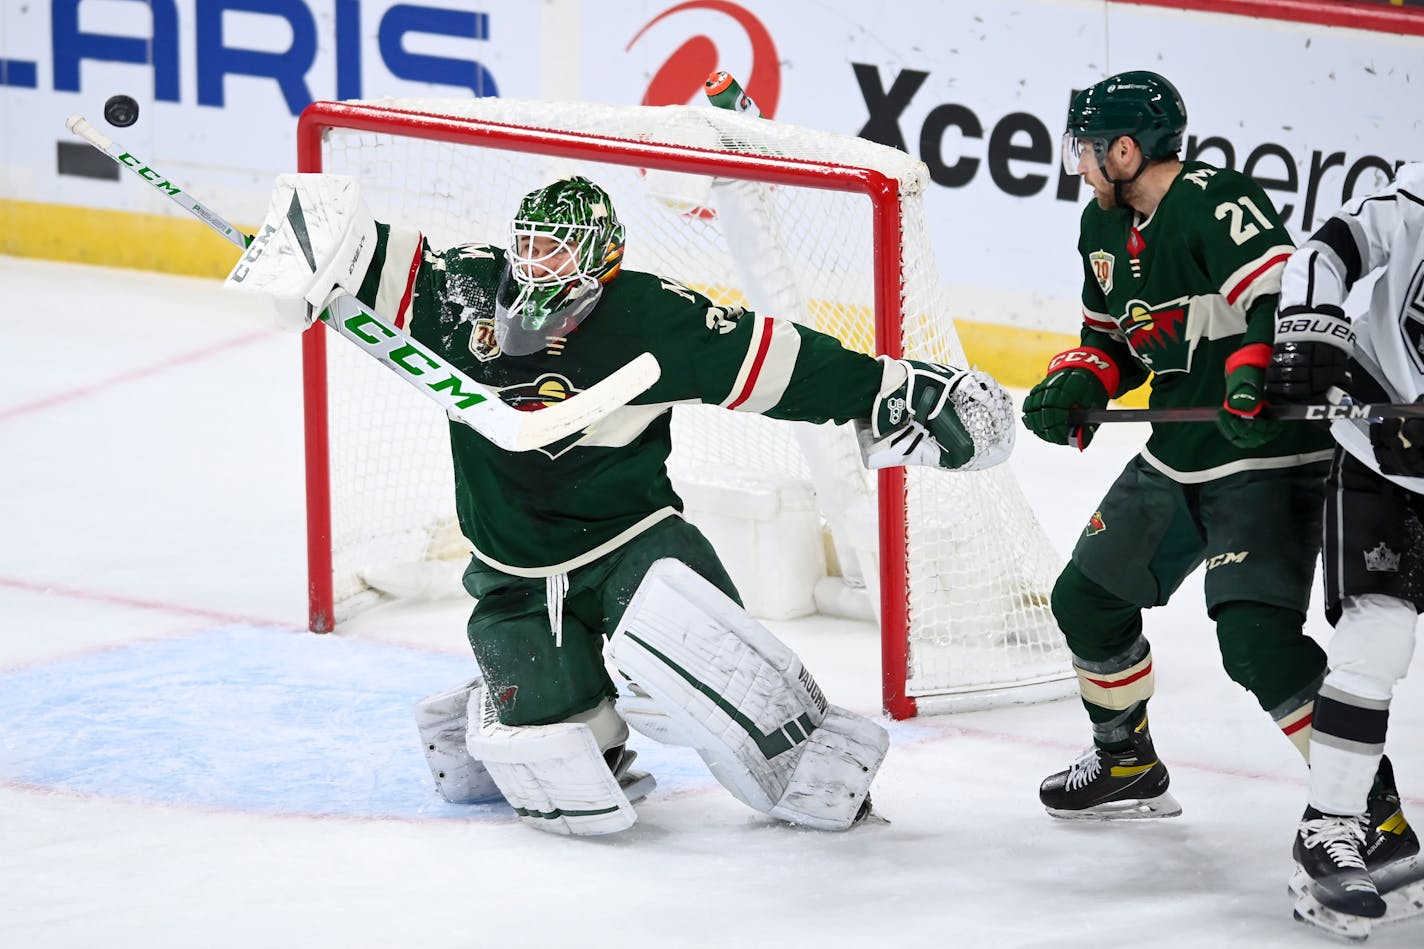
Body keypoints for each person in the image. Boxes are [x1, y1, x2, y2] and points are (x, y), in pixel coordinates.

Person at [232, 172, 1016, 837]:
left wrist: (891, 390)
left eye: (557, 249)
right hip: (512, 573)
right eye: (528, 244)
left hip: (633, 543)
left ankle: (812, 762)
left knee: (706, 657)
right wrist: (300, 253)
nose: (535, 264)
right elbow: (354, 247)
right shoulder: (458, 290)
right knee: (561, 777)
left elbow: (782, 362)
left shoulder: (652, 315)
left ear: (600, 257)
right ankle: (508, 705)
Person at [1021, 70, 1338, 820]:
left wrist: (1252, 375)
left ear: (1126, 150)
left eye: (1088, 148)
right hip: (1180, 450)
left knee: (1257, 641)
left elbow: (1285, 298)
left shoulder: (1214, 201)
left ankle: (1365, 809)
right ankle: (1126, 761)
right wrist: (1082, 384)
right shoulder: (1100, 227)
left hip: (1267, 452)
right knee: (1088, 598)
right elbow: (1116, 338)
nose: (1078, 163)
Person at [1265, 163, 1424, 935]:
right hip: (1377, 452)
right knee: (1379, 632)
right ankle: (1329, 827)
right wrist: (1311, 324)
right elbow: (1329, 246)